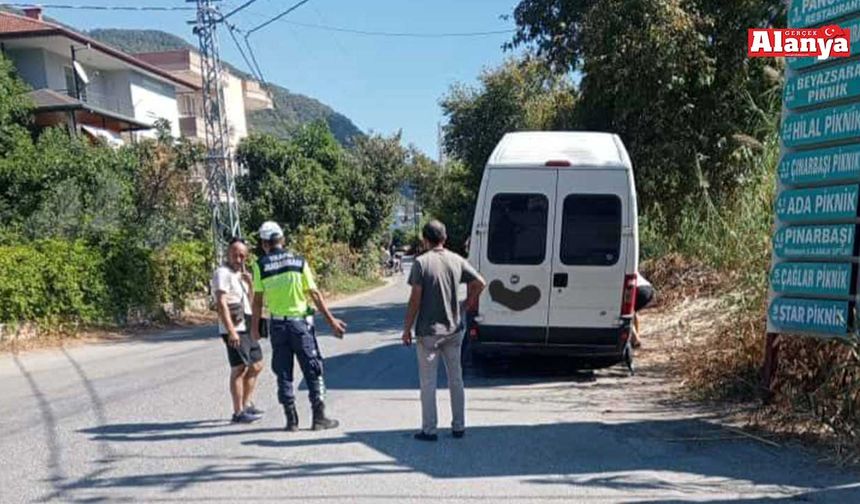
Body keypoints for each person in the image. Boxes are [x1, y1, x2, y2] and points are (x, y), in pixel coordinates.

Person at [251, 221, 347, 432]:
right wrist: (331, 320)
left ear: (264, 243)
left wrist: (255, 328)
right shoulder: (299, 261)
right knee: (313, 370)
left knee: (283, 371)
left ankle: (291, 420)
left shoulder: (260, 265)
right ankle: (319, 418)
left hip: (277, 326)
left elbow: (257, 301)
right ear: (282, 240)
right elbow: (314, 293)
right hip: (300, 326)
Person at [402, 220, 486, 442]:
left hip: (428, 332)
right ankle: (459, 426)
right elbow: (480, 282)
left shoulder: (421, 263)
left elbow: (415, 299)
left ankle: (429, 430)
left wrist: (407, 328)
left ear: (425, 240)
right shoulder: (457, 260)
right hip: (453, 329)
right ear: (445, 238)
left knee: (428, 382)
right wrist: (466, 304)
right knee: (455, 378)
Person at [212, 237, 265, 424]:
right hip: (235, 328)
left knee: (257, 365)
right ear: (228, 253)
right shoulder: (222, 273)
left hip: (248, 327)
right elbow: (221, 303)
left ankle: (247, 403)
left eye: (242, 255)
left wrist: (250, 284)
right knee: (239, 368)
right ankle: (238, 412)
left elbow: (251, 302)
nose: (239, 258)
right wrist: (231, 331)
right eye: (235, 254)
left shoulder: (240, 274)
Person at [632, 272, 655, 348]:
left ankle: (635, 340)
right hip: (649, 289)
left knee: (626, 314)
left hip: (639, 289)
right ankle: (637, 335)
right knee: (632, 312)